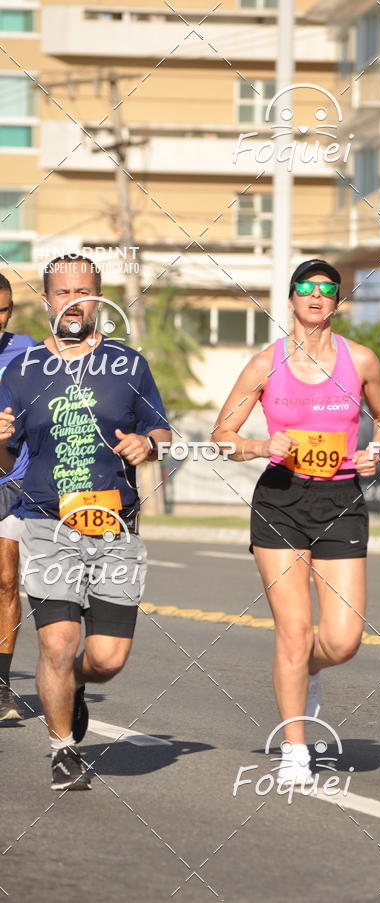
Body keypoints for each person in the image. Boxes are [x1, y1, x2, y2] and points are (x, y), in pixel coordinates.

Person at [213, 258, 380, 786]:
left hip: (340, 499)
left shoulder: (360, 360)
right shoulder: (263, 365)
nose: (316, 297)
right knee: (293, 633)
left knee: (341, 641)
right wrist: (258, 445)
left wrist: (375, 450)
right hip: (280, 500)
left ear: (337, 302)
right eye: (306, 289)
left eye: (327, 291)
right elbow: (222, 435)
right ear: (290, 299)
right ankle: (295, 746)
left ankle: (306, 673)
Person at [0, 255, 171, 790]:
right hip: (46, 521)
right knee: (56, 644)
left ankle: (71, 686)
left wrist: (149, 443)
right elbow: (7, 460)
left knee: (106, 658)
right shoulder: (20, 373)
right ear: (47, 302)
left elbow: (163, 431)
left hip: (114, 523)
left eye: (84, 292)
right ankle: (62, 750)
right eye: (62, 292)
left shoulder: (128, 365)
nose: (73, 302)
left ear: (98, 300)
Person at [0, 274, 36, 721]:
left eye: (4, 309)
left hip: (11, 480)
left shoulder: (26, 351)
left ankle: (2, 686)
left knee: (7, 580)